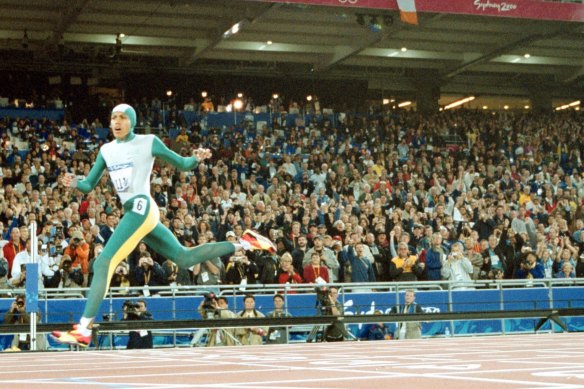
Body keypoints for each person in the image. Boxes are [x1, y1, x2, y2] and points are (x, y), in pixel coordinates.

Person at [52, 103, 276, 347]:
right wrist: (74, 181)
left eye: (122, 117)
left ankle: (84, 328)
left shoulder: (148, 141)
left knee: (105, 261)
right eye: (113, 117)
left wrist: (196, 158)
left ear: (132, 121)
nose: (116, 122)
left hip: (142, 207)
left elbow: (182, 164)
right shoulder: (106, 150)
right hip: (136, 212)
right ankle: (244, 243)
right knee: (184, 257)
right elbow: (88, 185)